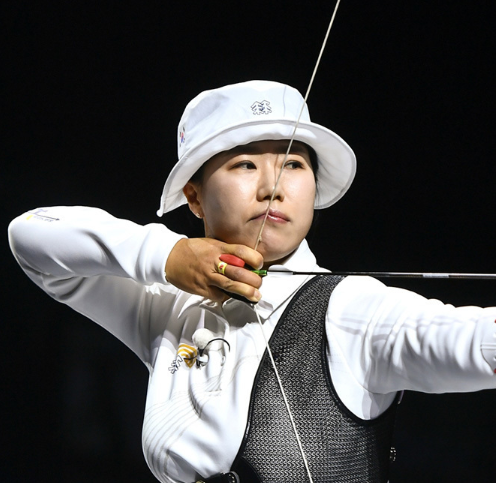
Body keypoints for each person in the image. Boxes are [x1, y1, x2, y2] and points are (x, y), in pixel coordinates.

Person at [8, 80, 496, 483]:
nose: (273, 187)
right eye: (245, 164)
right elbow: (30, 236)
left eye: (293, 164)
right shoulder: (166, 307)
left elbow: (473, 341)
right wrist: (168, 254)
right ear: (194, 198)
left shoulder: (351, 308)